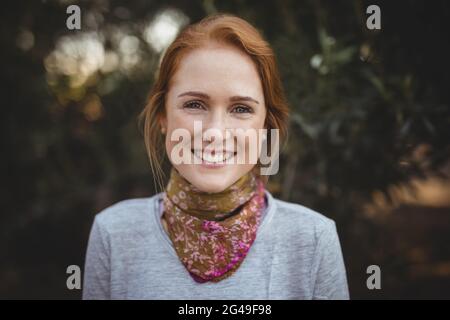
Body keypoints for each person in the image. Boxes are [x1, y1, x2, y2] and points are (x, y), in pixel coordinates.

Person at [82, 13, 349, 300]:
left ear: (265, 127)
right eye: (195, 104)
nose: (215, 132)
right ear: (163, 117)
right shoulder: (114, 234)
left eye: (241, 109)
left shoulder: (313, 239)